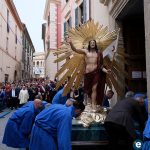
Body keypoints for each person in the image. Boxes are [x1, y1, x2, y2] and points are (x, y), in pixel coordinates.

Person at [67, 38, 111, 109]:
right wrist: (71, 43)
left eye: (94, 42)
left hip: (96, 73)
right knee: (88, 90)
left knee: (94, 88)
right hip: (88, 74)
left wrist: (106, 71)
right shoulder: (86, 51)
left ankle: (93, 104)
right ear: (89, 44)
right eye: (91, 43)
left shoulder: (99, 53)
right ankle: (89, 103)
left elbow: (100, 66)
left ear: (95, 44)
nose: (92, 44)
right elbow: (75, 49)